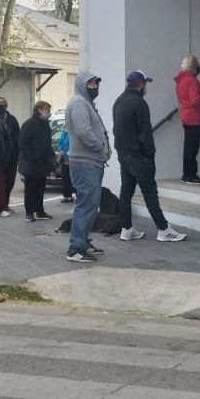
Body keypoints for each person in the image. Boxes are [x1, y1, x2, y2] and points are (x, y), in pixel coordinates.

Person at [113, 70, 187, 243]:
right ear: (141, 84)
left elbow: (118, 130)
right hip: (138, 157)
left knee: (126, 191)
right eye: (145, 83)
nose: (146, 86)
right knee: (150, 193)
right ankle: (163, 229)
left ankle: (126, 228)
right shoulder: (139, 103)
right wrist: (150, 155)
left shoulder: (119, 101)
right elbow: (145, 134)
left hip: (123, 155)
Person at [65, 71, 111, 262]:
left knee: (90, 206)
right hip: (85, 163)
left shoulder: (86, 103)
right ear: (82, 85)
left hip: (90, 162)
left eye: (96, 83)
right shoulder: (79, 103)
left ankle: (83, 242)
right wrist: (101, 149)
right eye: (91, 83)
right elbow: (84, 132)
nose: (95, 86)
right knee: (86, 205)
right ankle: (75, 248)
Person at [174, 54, 200, 184]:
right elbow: (196, 100)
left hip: (186, 116)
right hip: (194, 118)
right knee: (193, 148)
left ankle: (186, 174)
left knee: (188, 147)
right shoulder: (193, 81)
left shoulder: (181, 81)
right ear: (194, 66)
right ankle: (192, 176)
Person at [18, 101, 55, 222]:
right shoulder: (29, 124)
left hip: (42, 163)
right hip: (31, 163)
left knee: (40, 188)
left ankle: (40, 211)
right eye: (47, 110)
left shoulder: (45, 124)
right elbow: (23, 143)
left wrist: (51, 159)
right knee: (30, 189)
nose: (48, 113)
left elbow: (47, 143)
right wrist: (32, 156)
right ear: (39, 110)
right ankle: (29, 213)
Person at [0, 96, 20, 208]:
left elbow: (18, 137)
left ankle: (5, 204)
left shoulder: (12, 119)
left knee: (9, 181)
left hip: (11, 156)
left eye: (1, 103)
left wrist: (17, 153)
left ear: (5, 105)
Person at [58, 128, 74, 202]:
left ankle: (73, 196)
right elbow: (60, 143)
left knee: (72, 179)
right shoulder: (63, 134)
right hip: (64, 159)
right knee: (65, 178)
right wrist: (60, 149)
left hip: (72, 159)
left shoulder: (73, 133)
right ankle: (66, 195)